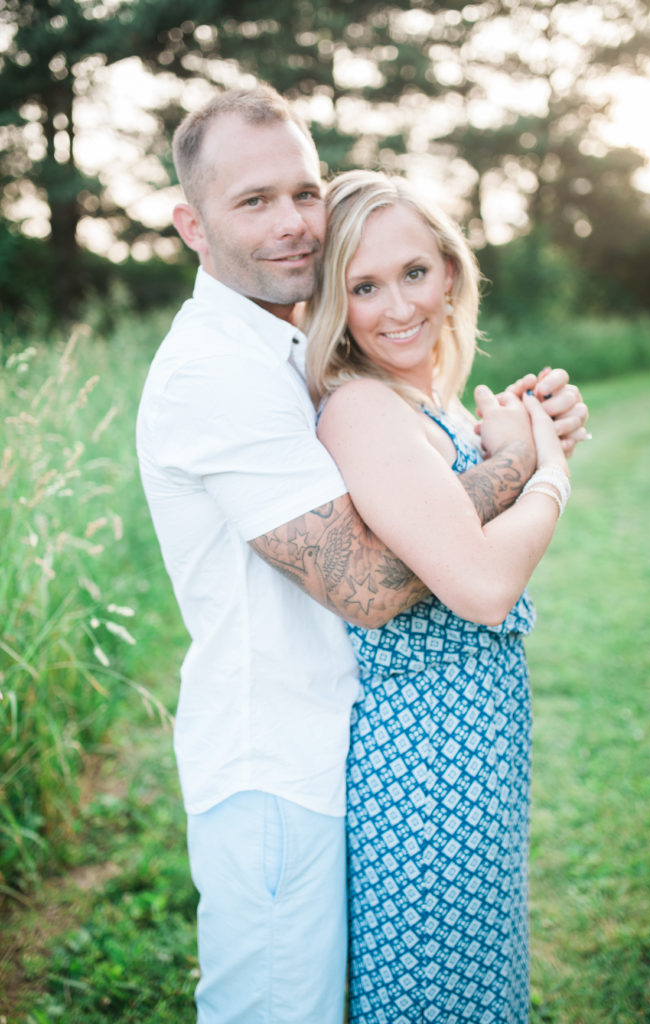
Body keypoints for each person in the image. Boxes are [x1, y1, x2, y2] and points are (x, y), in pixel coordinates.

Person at [136, 83, 588, 1024]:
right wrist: (528, 468)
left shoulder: (286, 344)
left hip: (351, 750)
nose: (294, 223)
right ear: (191, 223)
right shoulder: (215, 373)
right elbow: (377, 579)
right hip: (278, 774)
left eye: (304, 192)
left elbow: (410, 485)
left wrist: (508, 439)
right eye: (252, 201)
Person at [304, 169, 574, 1023]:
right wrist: (548, 474)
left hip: (476, 743)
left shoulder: (430, 405)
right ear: (333, 304)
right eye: (363, 286)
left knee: (473, 986)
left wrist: (511, 439)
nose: (396, 308)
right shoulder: (361, 410)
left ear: (450, 272)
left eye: (413, 274)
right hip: (424, 765)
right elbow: (485, 587)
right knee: (434, 999)